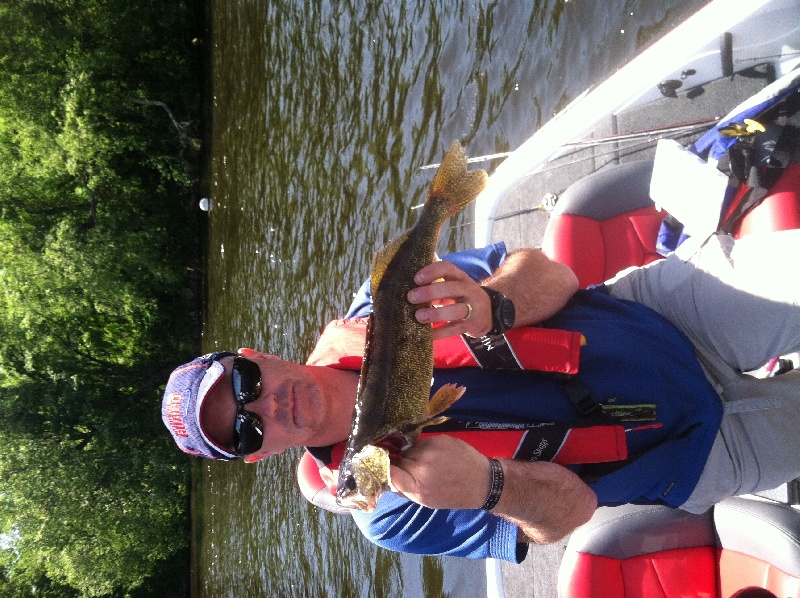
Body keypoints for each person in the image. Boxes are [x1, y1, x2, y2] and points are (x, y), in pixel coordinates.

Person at [162, 230, 800, 563]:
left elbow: (552, 271)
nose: (265, 407)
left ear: (254, 356)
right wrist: (491, 487)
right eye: (243, 430)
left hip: (667, 316)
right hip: (685, 456)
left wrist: (495, 303)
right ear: (257, 456)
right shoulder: (388, 512)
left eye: (245, 386)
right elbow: (571, 512)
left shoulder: (384, 307)